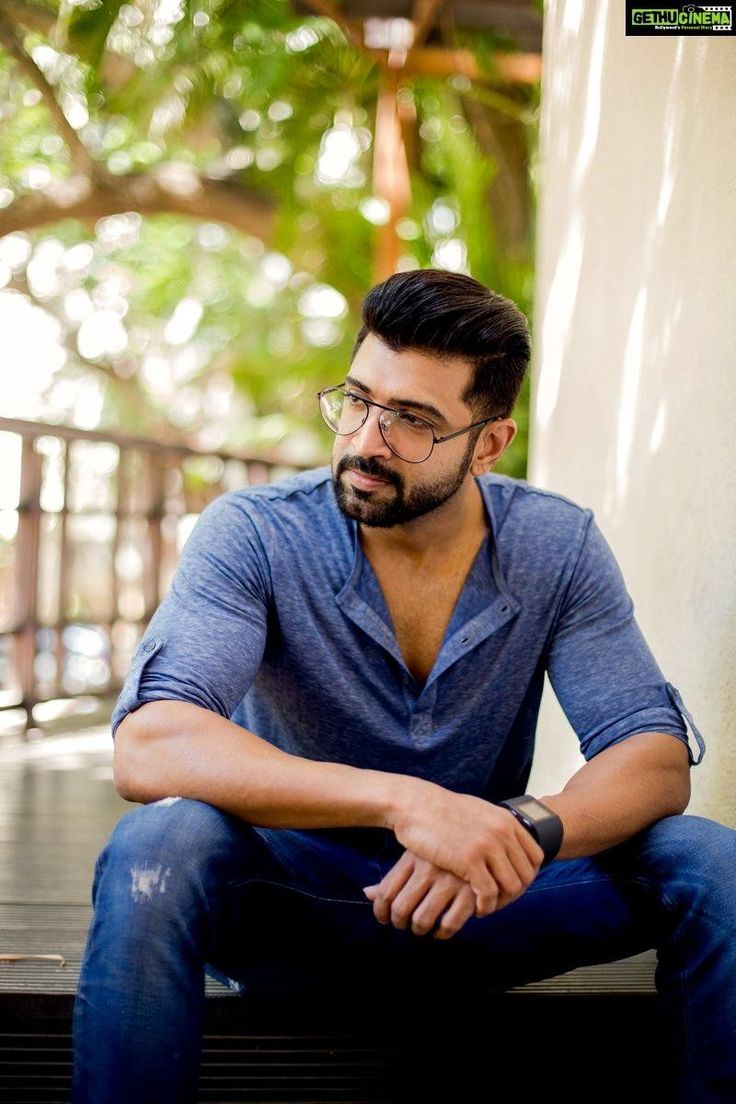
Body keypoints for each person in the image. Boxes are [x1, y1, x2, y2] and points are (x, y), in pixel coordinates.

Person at [72, 268, 734, 1104]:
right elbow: (153, 741)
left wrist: (522, 830)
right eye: (357, 401)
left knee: (710, 860)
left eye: (414, 422)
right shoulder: (255, 535)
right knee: (155, 849)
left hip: (480, 907)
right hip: (292, 906)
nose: (367, 440)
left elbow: (654, 757)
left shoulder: (556, 548)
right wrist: (405, 802)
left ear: (488, 444)